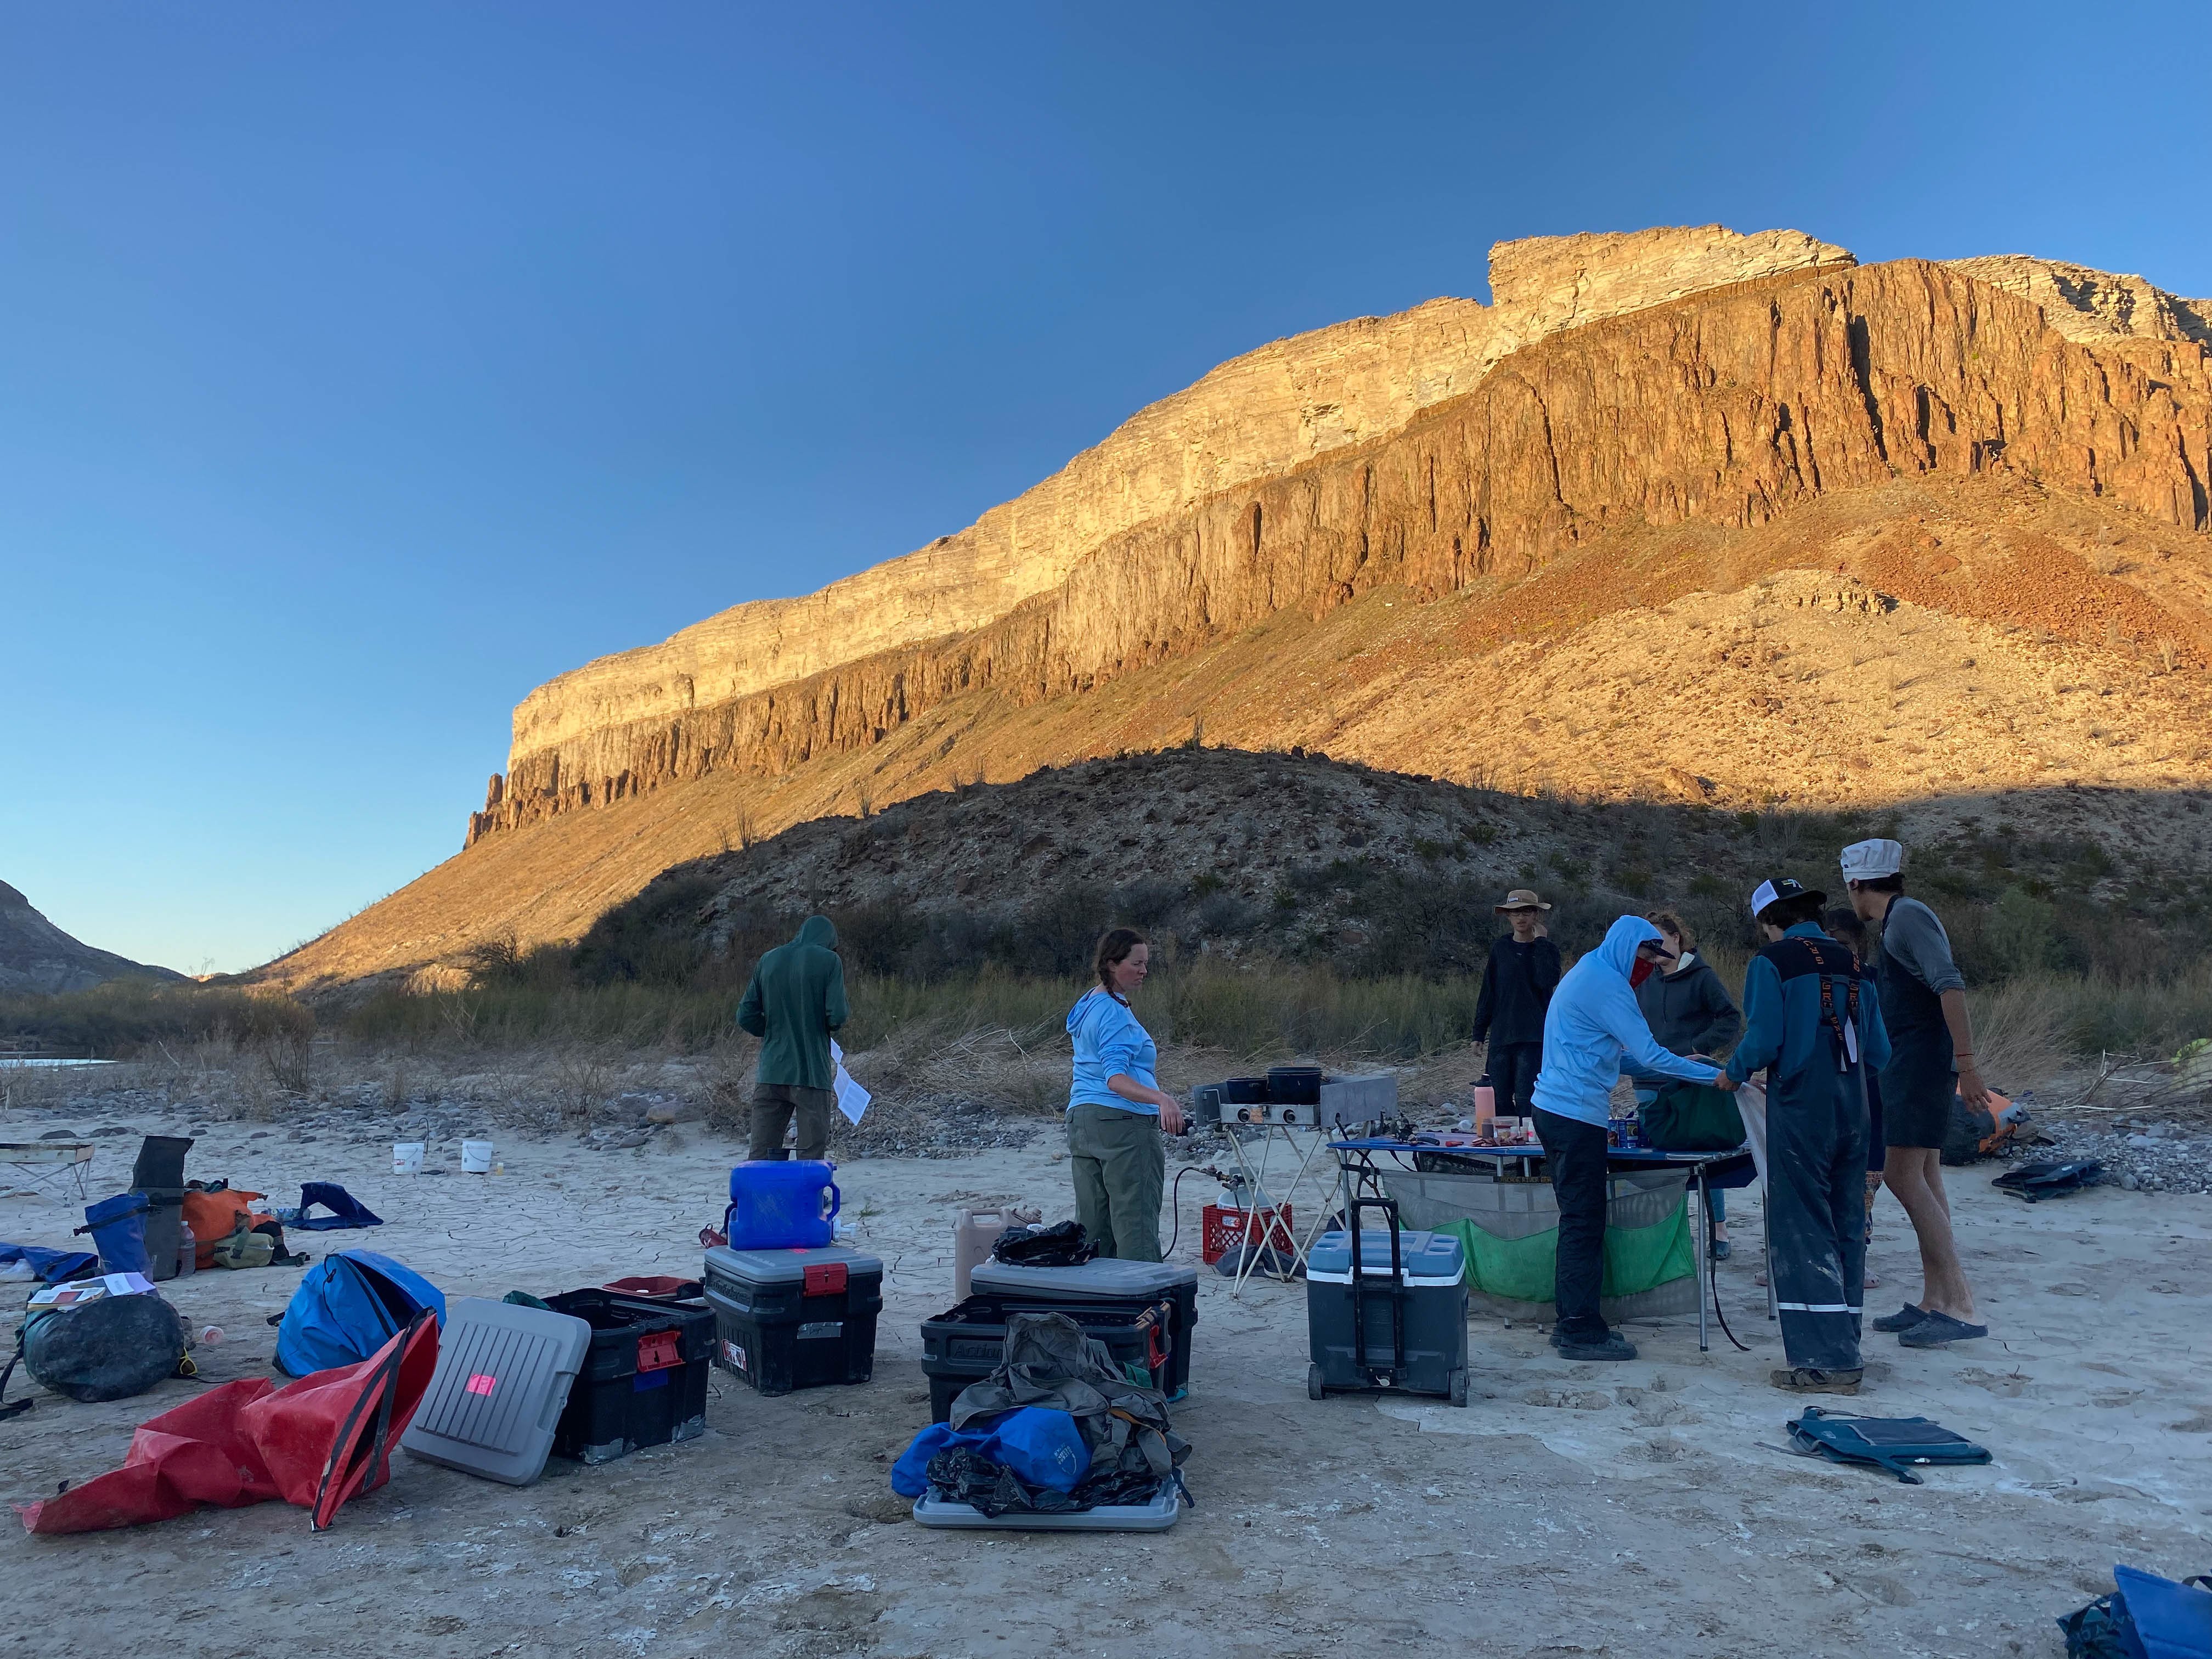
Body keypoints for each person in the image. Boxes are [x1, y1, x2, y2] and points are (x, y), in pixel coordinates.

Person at [1532, 916, 1733, 1362]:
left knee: (1578, 1220)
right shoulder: (1608, 984)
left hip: (1555, 1108)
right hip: (1574, 1114)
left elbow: (1623, 1060)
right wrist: (1715, 1076)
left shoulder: (1589, 969)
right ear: (1629, 946)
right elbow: (1650, 1056)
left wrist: (1692, 1064)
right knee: (1583, 1223)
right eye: (1647, 955)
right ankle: (1579, 1329)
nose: (1649, 966)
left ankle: (1574, 1321)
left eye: (1656, 958)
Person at [1723, 879, 1891, 1394]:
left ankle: (1824, 1362)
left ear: (1768, 920)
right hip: (1855, 1110)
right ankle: (1848, 1344)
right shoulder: (1855, 964)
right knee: (1846, 1224)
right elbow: (1880, 1053)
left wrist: (1734, 1071)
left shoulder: (1771, 963)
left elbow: (1764, 1038)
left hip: (1801, 1109)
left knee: (1801, 1228)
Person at [1841, 838, 1988, 1348]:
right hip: (1913, 1062)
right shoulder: (1901, 919)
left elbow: (1950, 984)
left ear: (1857, 885)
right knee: (1925, 1174)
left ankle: (1962, 1305)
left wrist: (1967, 1067)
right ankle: (1937, 1299)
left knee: (1903, 1175)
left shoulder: (1907, 919)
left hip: (1920, 1064)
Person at [1065, 928, 1186, 1262]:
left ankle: (1097, 1307)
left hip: (1083, 1121)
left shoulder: (1089, 1003)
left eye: (1146, 963)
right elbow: (1115, 1079)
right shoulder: (1115, 1015)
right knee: (1136, 1223)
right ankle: (1144, 1307)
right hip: (1122, 1124)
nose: (1144, 971)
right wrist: (1162, 1099)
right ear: (1112, 964)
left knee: (1092, 1227)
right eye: (1137, 964)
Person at [1635, 909, 1743, 1256]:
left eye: (1660, 941)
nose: (1654, 950)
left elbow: (1730, 1018)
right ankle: (1670, 1236)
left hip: (1691, 1080)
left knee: (1702, 1154)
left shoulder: (1702, 976)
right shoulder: (1642, 979)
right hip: (1649, 1079)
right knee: (1656, 1159)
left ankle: (1720, 1230)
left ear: (1677, 938)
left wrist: (1699, 1049)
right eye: (1648, 944)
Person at [735, 914, 850, 1163]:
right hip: (811, 1074)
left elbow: (745, 1015)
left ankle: (762, 1199)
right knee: (810, 1156)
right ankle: (807, 1200)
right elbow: (838, 1015)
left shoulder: (769, 959)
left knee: (761, 1155)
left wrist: (774, 1031)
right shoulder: (830, 961)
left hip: (770, 1073)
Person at [1823, 905, 1891, 1290]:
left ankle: (1856, 1257)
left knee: (1861, 1182)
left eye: (1844, 943)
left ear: (1860, 946)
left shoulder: (1873, 984)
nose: (1837, 949)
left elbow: (1881, 1049)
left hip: (1865, 1096)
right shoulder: (1815, 981)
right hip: (1831, 1096)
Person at [1471, 889, 1562, 1119]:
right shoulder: (1500, 948)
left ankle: (1530, 1151)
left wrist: (1540, 942)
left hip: (1533, 1037)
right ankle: (1505, 1149)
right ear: (1508, 917)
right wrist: (1479, 1033)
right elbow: (1489, 991)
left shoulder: (1548, 949)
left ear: (1536, 916)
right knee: (1498, 1099)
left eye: (1526, 912)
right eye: (1515, 913)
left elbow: (1546, 980)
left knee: (1527, 1099)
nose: (1521, 918)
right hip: (1502, 1035)